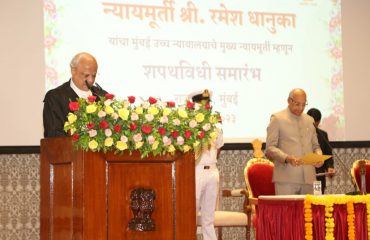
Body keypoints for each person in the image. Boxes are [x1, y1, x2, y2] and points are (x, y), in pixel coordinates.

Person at [265, 88, 323, 195]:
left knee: (310, 211)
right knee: (286, 211)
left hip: (309, 178)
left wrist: (319, 156)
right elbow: (269, 148)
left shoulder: (309, 120)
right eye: (297, 104)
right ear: (289, 100)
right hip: (286, 178)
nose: (301, 108)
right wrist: (287, 158)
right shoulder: (277, 118)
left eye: (303, 104)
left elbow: (316, 146)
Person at [43, 52, 107, 137]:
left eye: (94, 75)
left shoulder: (102, 96)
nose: (91, 80)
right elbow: (53, 134)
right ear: (73, 71)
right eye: (86, 75)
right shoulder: (55, 97)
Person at [191, 89, 224, 240]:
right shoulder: (190, 125)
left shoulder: (215, 126)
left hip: (212, 171)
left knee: (208, 217)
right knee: (191, 214)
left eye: (209, 103)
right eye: (203, 103)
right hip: (196, 171)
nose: (207, 106)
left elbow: (218, 148)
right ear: (196, 105)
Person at [307, 108, 335, 194]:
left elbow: (328, 154)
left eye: (315, 124)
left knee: (317, 201)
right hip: (305, 176)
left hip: (319, 177)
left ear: (319, 122)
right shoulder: (300, 135)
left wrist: (330, 167)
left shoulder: (323, 135)